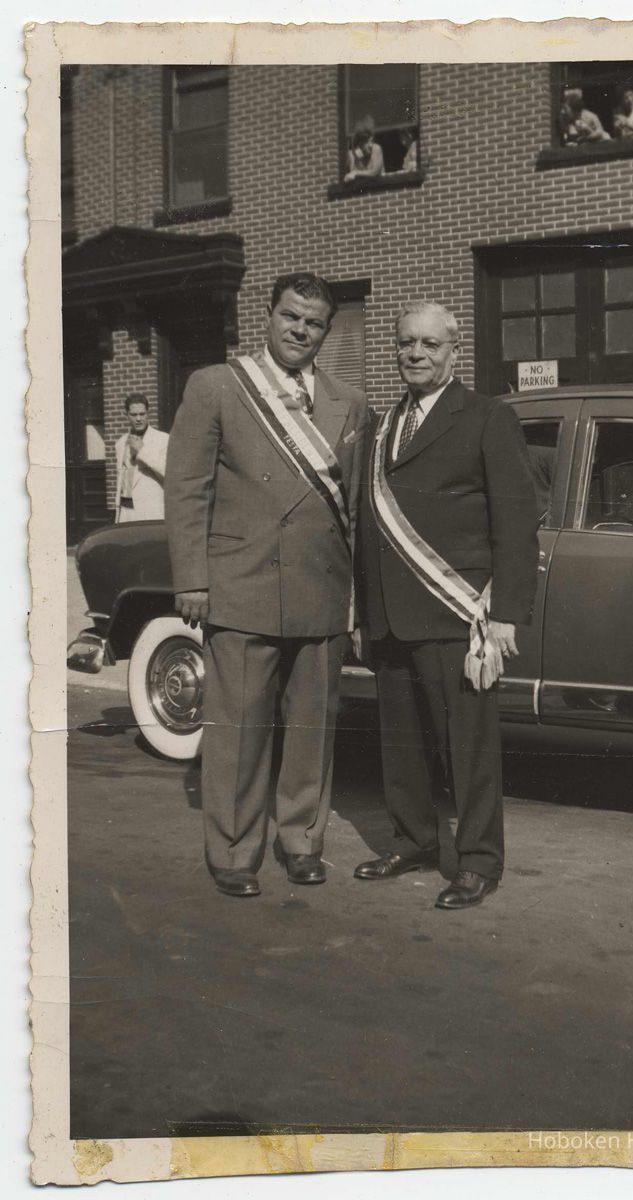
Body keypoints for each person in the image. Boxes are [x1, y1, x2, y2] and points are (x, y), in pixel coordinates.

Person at [165, 272, 368, 898]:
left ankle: (301, 839)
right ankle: (232, 849)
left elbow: (354, 510)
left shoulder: (349, 404)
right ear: (269, 315)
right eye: (290, 316)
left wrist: (354, 600)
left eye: (312, 323)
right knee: (240, 729)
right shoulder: (216, 386)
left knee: (311, 728)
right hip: (241, 584)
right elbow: (187, 489)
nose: (299, 330)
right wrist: (193, 580)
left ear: (326, 333)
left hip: (320, 590)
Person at [353, 302, 539, 910]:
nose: (416, 353)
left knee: (469, 748)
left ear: (454, 352)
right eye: (406, 343)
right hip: (390, 614)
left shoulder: (487, 416)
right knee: (400, 743)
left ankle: (479, 860)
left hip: (456, 615)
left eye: (430, 344)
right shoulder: (383, 426)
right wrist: (363, 612)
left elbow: (515, 521)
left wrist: (507, 610)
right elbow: (366, 524)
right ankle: (413, 840)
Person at [114, 393, 169, 522]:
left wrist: (142, 451)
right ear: (127, 415)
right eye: (134, 415)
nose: (138, 419)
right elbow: (121, 481)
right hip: (127, 512)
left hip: (152, 511)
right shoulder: (121, 443)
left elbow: (170, 472)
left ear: (147, 413)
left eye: (142, 414)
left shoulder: (163, 439)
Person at [344, 117, 384, 182]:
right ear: (360, 144)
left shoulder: (376, 149)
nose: (370, 145)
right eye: (367, 142)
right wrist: (356, 158)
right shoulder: (354, 155)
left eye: (371, 141)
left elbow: (375, 172)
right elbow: (349, 176)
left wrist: (356, 173)